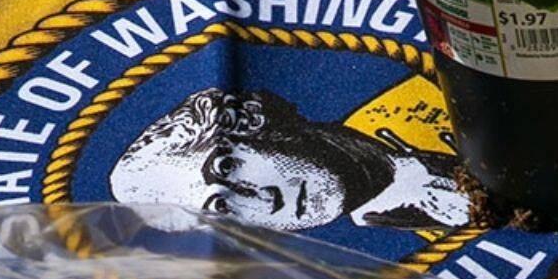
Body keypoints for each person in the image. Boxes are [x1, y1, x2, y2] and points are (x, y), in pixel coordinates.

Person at [109, 87, 471, 231]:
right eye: (221, 206)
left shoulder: (414, 100)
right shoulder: (385, 229)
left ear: (253, 126)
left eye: (227, 166)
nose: (263, 198)